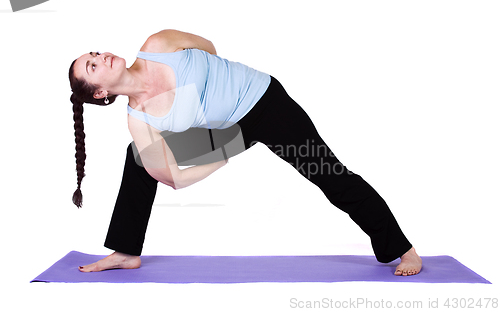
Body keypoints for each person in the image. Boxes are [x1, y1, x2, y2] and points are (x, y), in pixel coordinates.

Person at [68, 29, 422, 276]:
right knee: (139, 156)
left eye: (95, 53)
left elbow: (208, 46)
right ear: (101, 94)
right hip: (228, 133)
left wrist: (216, 81)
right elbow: (171, 176)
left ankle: (402, 248)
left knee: (328, 174)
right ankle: (127, 251)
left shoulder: (157, 43)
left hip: (266, 104)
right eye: (93, 66)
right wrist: (220, 157)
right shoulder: (138, 120)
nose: (101, 57)